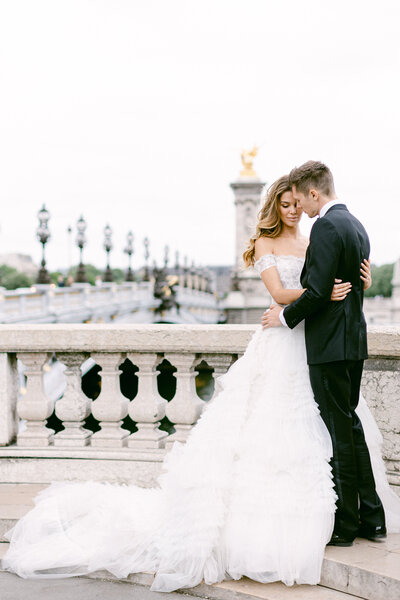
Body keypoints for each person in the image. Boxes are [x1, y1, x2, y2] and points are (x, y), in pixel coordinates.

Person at [3, 174, 399, 593]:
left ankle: (342, 516)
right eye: (284, 205)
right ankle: (323, 521)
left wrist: (356, 283)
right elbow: (283, 292)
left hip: (314, 341)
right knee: (283, 430)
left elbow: (336, 277)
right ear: (272, 208)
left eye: (295, 203)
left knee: (324, 431)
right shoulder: (267, 245)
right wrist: (316, 294)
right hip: (286, 337)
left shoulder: (317, 236)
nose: (293, 210)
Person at [261, 161, 388, 546]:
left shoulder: (326, 226)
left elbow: (318, 292)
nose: (299, 208)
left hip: (329, 345)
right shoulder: (356, 224)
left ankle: (347, 524)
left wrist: (283, 318)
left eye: (300, 199)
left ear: (314, 193)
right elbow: (353, 283)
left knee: (339, 432)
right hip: (352, 342)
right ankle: (372, 517)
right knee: (350, 427)